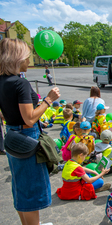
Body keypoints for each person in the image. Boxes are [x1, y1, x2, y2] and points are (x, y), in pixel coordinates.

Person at [0, 38, 60, 225]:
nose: (29, 60)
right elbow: (30, 118)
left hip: (12, 134)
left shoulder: (3, 81)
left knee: (21, 188)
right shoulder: (20, 84)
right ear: (17, 58)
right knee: (32, 190)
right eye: (27, 57)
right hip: (27, 136)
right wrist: (48, 100)